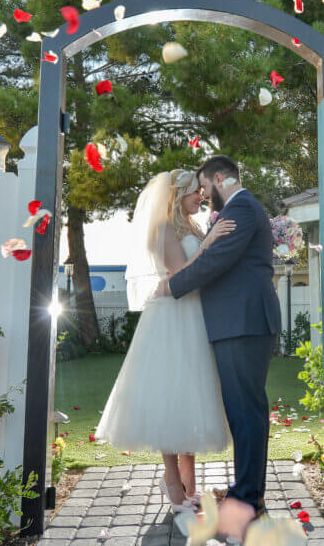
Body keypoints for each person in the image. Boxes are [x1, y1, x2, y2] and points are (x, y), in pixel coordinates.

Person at [94, 169, 235, 513]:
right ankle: (172, 480)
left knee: (192, 396)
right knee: (168, 396)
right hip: (171, 319)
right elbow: (182, 271)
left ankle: (191, 484)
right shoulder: (163, 229)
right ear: (177, 195)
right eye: (194, 193)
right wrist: (211, 241)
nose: (201, 197)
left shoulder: (196, 226)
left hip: (196, 318)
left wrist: (209, 238)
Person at [157, 155, 281, 543]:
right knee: (246, 412)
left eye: (206, 186)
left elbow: (217, 260)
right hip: (238, 324)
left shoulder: (242, 207)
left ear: (221, 179)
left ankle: (248, 500)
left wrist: (171, 287)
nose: (203, 194)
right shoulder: (241, 209)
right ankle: (248, 492)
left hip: (243, 324)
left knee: (246, 412)